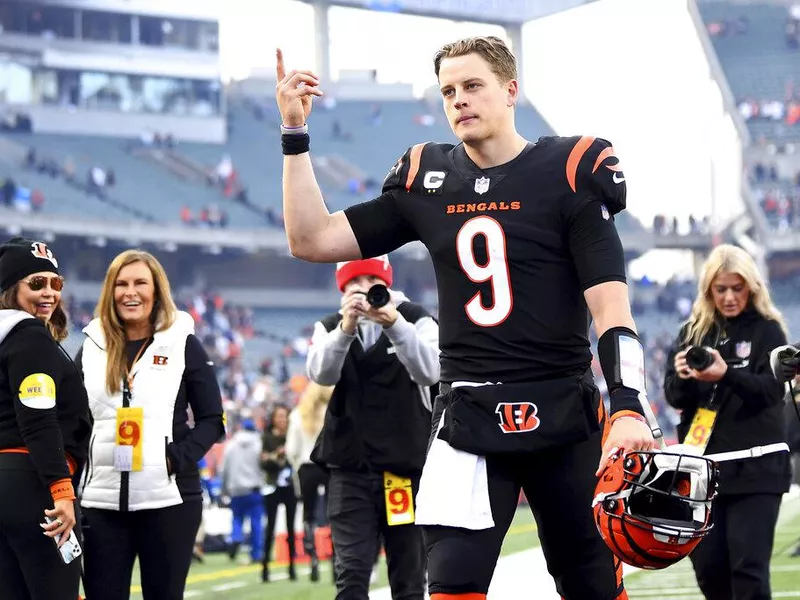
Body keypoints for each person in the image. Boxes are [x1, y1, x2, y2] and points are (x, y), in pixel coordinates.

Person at [276, 35, 654, 599]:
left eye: (473, 86)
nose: (459, 100)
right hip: (468, 413)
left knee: (591, 583)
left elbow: (610, 307)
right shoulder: (429, 177)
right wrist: (294, 134)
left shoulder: (570, 169)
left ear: (510, 90)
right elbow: (311, 238)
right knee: (452, 583)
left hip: (562, 408)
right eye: (448, 90)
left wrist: (626, 405)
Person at [76, 249, 225, 600]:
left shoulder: (183, 344)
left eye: (140, 283)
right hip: (101, 504)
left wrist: (176, 458)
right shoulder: (91, 346)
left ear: (157, 290)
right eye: (122, 284)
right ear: (110, 291)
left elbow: (212, 420)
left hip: (170, 500)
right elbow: (74, 423)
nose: (131, 292)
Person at [306, 257, 439, 599]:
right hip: (350, 470)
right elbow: (321, 374)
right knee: (351, 575)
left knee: (409, 578)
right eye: (354, 282)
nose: (363, 289)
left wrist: (394, 323)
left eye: (371, 280)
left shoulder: (416, 318)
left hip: (403, 471)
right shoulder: (330, 325)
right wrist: (346, 329)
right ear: (343, 288)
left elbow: (431, 372)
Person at [664, 244, 792, 600]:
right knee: (709, 569)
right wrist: (686, 376)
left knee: (748, 570)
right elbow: (675, 398)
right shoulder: (692, 333)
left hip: (758, 465)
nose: (730, 297)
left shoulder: (768, 331)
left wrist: (725, 375)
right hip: (704, 471)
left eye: (738, 288)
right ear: (709, 291)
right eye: (721, 289)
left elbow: (770, 391)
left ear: (751, 287)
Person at [0, 237, 92, 600]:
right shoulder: (29, 336)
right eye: (36, 283)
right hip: (33, 483)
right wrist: (61, 491)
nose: (50, 293)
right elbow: (38, 421)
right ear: (9, 288)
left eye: (56, 283)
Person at [285, 380, 333, 582]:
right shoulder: (330, 412)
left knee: (309, 515)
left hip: (306, 467)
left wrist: (297, 467)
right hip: (328, 465)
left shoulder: (297, 415)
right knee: (333, 514)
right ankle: (335, 561)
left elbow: (291, 450)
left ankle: (312, 556)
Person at [261, 403, 297, 583]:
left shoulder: (293, 435)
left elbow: (296, 457)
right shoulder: (267, 437)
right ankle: (265, 568)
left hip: (290, 486)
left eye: (284, 416)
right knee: (270, 527)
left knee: (291, 528)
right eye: (279, 416)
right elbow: (263, 462)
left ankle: (292, 568)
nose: (282, 420)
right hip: (272, 487)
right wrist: (278, 455)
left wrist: (276, 457)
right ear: (273, 419)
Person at [220, 418, 264, 565]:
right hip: (253, 488)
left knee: (237, 518)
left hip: (235, 489)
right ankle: (256, 553)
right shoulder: (259, 444)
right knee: (256, 522)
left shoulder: (231, 445)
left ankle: (236, 538)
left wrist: (224, 490)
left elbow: (223, 469)